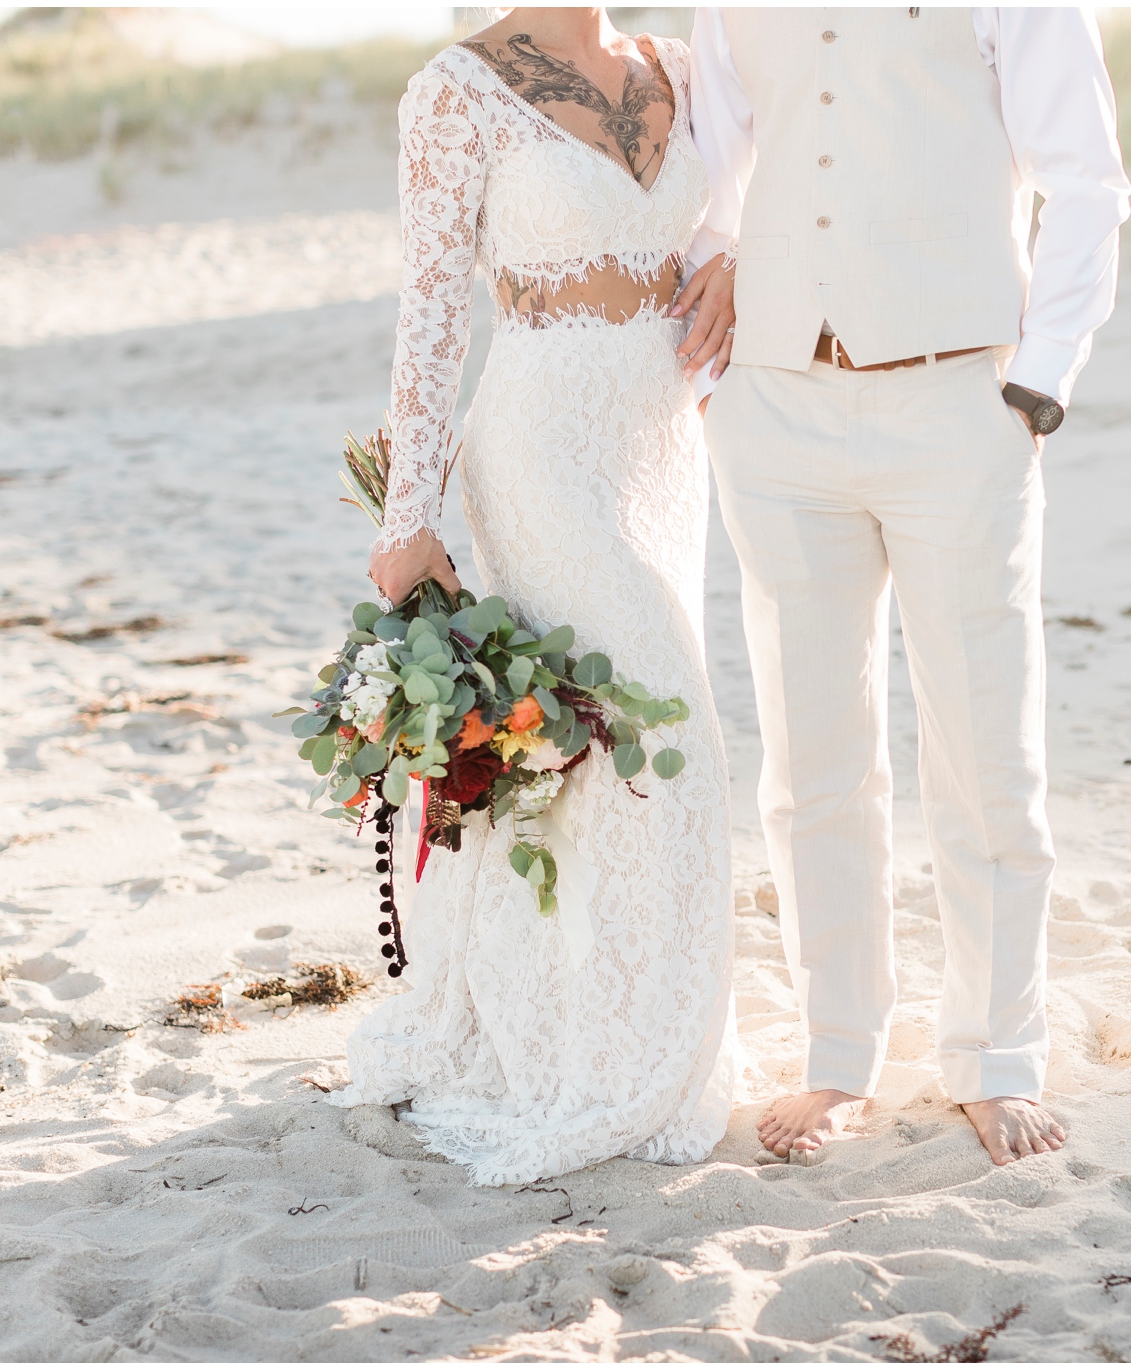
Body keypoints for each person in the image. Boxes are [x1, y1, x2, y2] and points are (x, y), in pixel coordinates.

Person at [688, 7, 1131, 1165]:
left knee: (986, 749)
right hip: (775, 404)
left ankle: (993, 1053)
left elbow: (1085, 175)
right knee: (812, 759)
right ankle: (839, 1051)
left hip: (957, 403)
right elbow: (708, 176)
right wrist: (717, 335)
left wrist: (1039, 380)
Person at [332, 7, 741, 1187]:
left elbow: (742, 213)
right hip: (539, 448)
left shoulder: (680, 62)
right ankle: (609, 1047)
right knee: (659, 725)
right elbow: (431, 309)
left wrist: (744, 264)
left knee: (606, 761)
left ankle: (605, 1017)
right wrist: (408, 521)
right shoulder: (453, 90)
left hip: (663, 445)